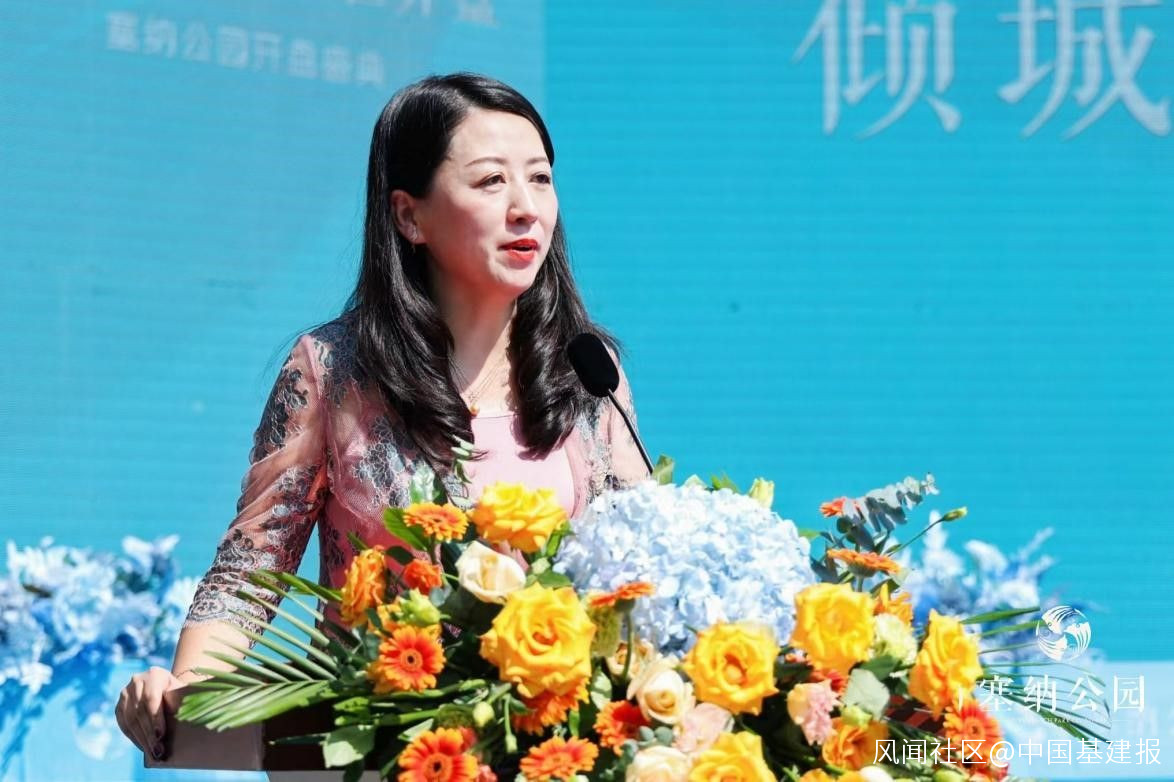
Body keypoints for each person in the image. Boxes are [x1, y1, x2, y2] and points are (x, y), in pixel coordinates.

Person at [114, 72, 649, 761]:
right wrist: (189, 692)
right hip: (386, 755)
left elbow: (639, 566)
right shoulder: (334, 371)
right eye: (492, 182)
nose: (526, 209)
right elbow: (252, 570)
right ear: (409, 216)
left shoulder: (588, 370)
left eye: (540, 179)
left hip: (556, 755)